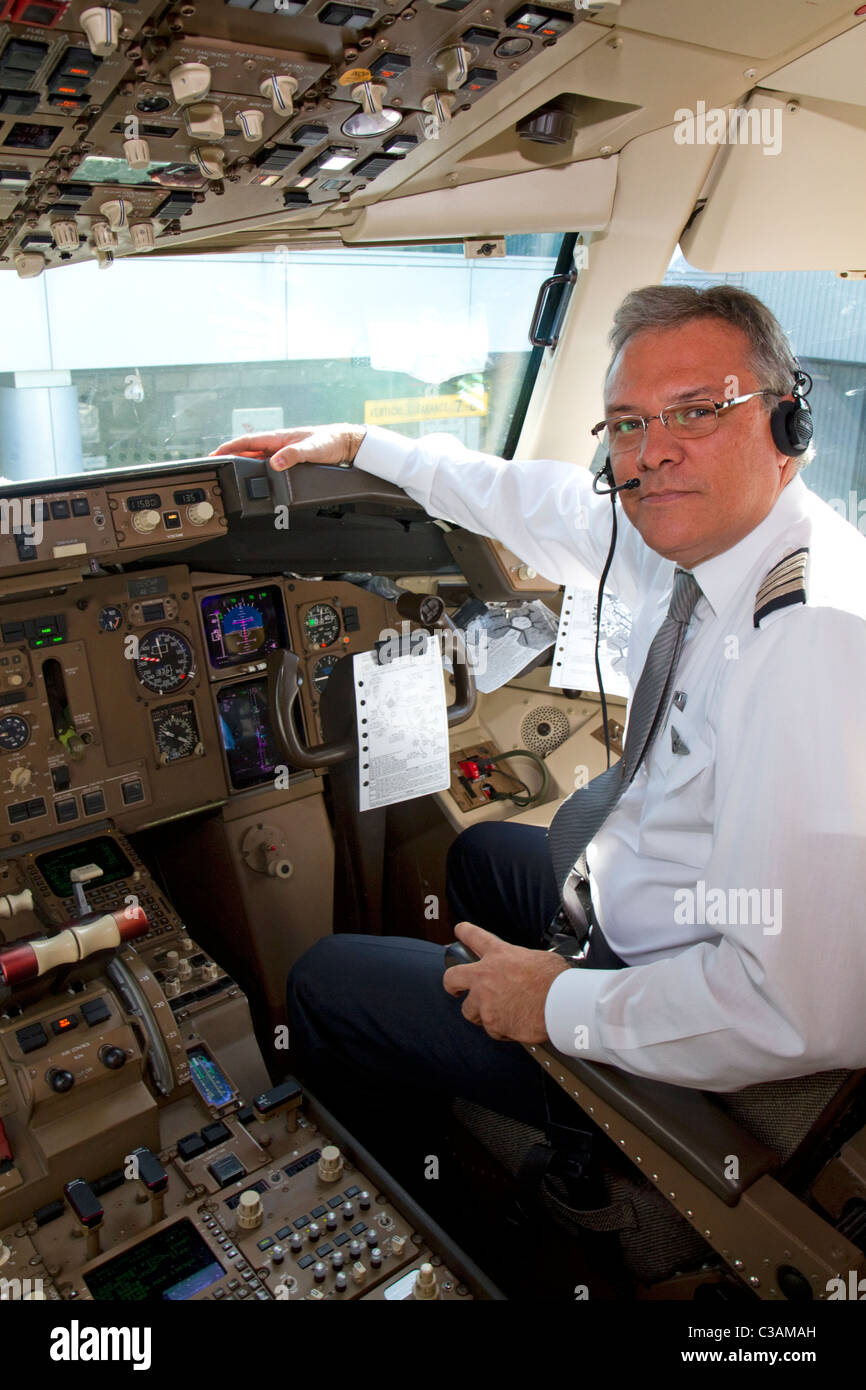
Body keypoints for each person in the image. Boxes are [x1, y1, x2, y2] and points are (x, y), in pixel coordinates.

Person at [213, 286, 866, 1156]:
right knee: (480, 855)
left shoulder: (813, 645)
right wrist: (369, 446)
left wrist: (552, 1002)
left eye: (697, 412)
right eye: (627, 425)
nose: (652, 454)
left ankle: (407, 1213)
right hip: (655, 919)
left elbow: (797, 1010)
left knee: (328, 979)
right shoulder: (706, 543)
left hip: (691, 1050)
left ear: (788, 425)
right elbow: (535, 501)